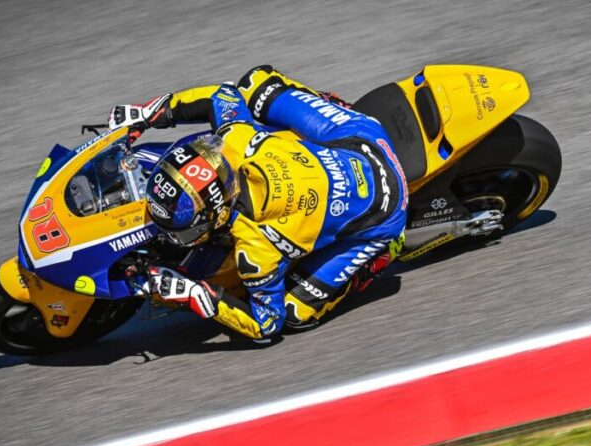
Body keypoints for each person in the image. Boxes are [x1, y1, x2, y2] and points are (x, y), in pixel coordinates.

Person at [106, 65, 408, 343]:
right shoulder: (234, 138)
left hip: (384, 209)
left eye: (182, 229)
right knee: (255, 83)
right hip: (362, 138)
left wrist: (196, 296)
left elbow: (267, 325)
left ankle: (380, 254)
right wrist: (148, 113)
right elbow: (222, 95)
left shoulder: (256, 249)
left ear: (218, 214)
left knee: (294, 313)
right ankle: (325, 106)